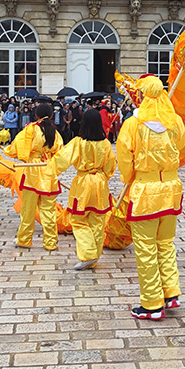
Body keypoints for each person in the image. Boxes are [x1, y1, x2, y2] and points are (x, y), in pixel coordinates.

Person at [116, 75, 185, 320]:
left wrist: (128, 178)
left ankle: (152, 304)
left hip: (146, 190)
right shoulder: (175, 122)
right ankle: (171, 292)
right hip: (171, 188)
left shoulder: (133, 124)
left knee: (145, 248)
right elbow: (183, 145)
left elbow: (124, 156)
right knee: (166, 244)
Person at [54, 109, 116, 270]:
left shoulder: (78, 143)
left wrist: (49, 170)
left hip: (83, 183)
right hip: (100, 183)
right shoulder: (106, 144)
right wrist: (102, 177)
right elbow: (111, 167)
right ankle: (93, 257)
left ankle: (88, 254)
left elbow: (62, 160)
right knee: (98, 221)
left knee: (78, 219)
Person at [4, 104, 63, 250]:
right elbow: (60, 153)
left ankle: (24, 239)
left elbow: (16, 146)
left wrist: (7, 151)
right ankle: (50, 242)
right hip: (48, 169)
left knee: (28, 209)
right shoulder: (55, 133)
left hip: (32, 170)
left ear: (36, 115)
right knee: (48, 210)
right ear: (50, 116)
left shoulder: (31, 129)